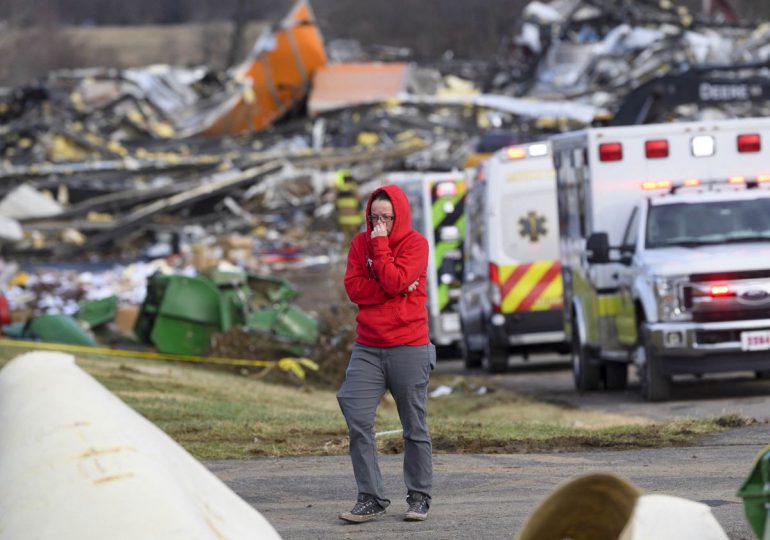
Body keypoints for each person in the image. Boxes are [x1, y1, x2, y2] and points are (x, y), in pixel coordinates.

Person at [337, 184, 436, 523]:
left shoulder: (416, 245)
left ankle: (419, 496)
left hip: (409, 345)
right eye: (374, 217)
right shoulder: (357, 244)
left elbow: (396, 281)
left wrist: (382, 255)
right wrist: (389, 286)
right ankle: (371, 497)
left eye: (386, 218)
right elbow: (354, 288)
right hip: (368, 345)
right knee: (356, 414)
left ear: (400, 216)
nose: (379, 224)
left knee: (413, 425)